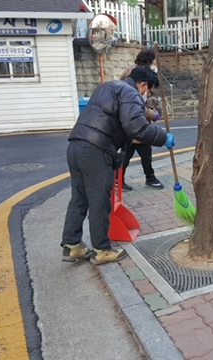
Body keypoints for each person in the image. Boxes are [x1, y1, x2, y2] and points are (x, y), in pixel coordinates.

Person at [61, 66, 175, 264]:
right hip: (96, 151)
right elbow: (135, 127)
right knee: (99, 201)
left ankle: (72, 246)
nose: (148, 96)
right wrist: (163, 137)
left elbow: (121, 126)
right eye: (149, 92)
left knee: (79, 198)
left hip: (76, 146)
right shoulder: (131, 93)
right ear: (144, 86)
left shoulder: (108, 87)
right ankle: (101, 249)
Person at [119, 48, 165, 191]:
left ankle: (149, 177)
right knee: (127, 154)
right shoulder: (134, 75)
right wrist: (151, 114)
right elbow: (134, 105)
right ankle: (119, 180)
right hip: (133, 122)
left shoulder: (145, 76)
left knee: (143, 152)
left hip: (138, 122)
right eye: (155, 62)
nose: (156, 65)